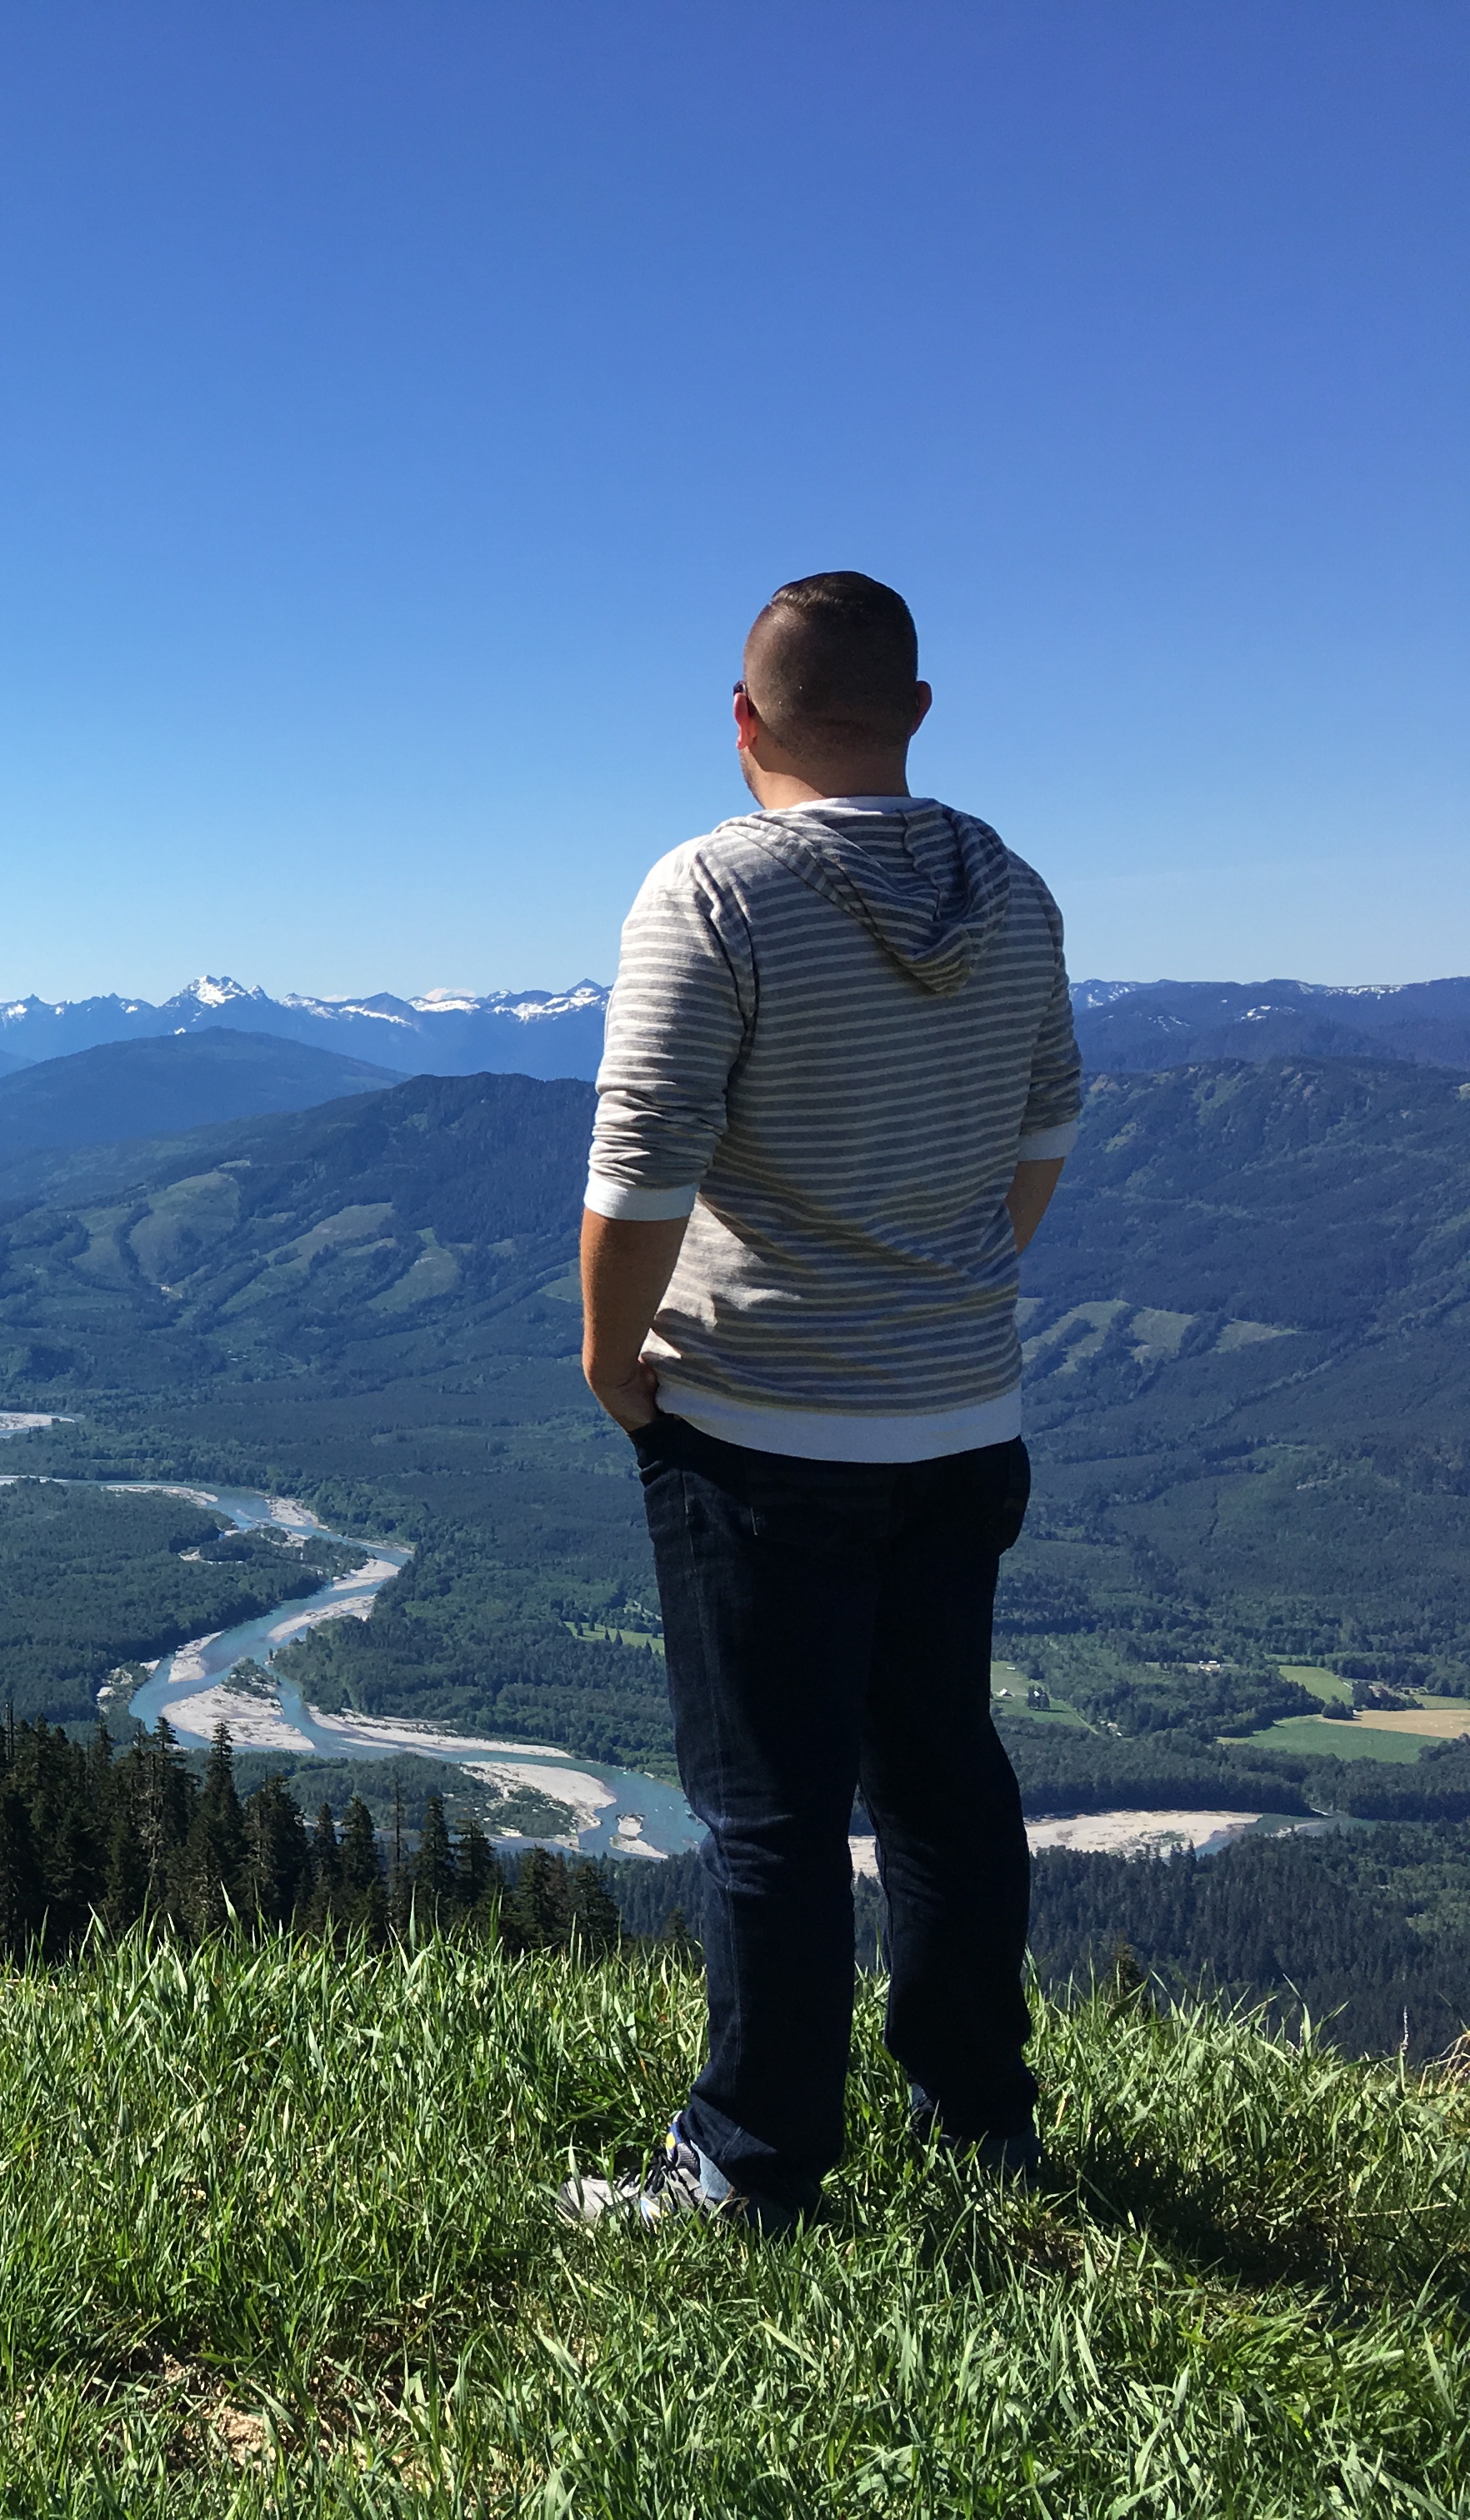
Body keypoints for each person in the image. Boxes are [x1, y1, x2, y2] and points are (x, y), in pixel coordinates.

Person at [558, 572, 1078, 2232]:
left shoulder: (709, 890)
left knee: (769, 1810)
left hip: (762, 1427)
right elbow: (1044, 1138)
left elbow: (641, 1171)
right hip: (959, 1418)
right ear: (917, 713)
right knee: (942, 1777)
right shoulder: (1014, 891)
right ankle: (977, 2112)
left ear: (741, 720)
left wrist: (609, 1358)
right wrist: (935, 1290)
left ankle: (751, 2165)